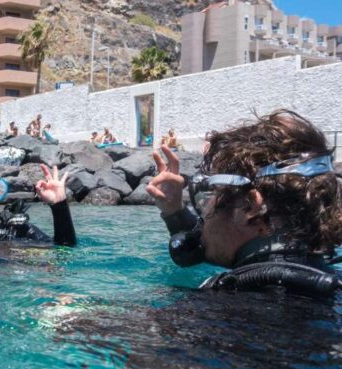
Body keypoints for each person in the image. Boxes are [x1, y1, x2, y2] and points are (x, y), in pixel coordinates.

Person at [146, 110, 342, 297]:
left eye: (210, 196)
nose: (204, 212)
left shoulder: (217, 315)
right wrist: (175, 212)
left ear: (251, 207)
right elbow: (207, 245)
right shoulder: (328, 283)